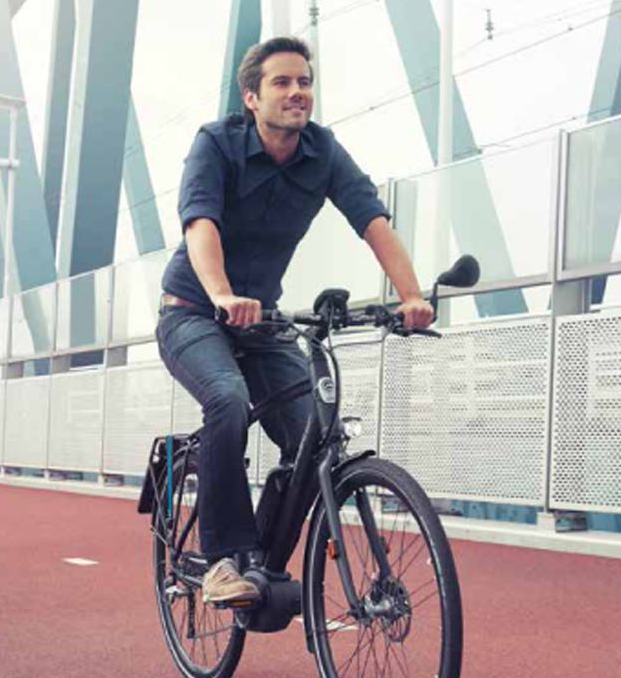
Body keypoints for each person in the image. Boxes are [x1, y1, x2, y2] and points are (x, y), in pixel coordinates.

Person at [156, 36, 432, 605]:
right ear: (251, 98)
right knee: (228, 399)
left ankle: (260, 560)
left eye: (304, 82)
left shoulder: (321, 151)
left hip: (261, 322)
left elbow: (372, 221)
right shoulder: (216, 144)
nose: (297, 92)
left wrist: (411, 296)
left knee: (315, 436)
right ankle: (222, 561)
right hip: (191, 313)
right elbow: (201, 224)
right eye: (281, 82)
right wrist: (222, 293)